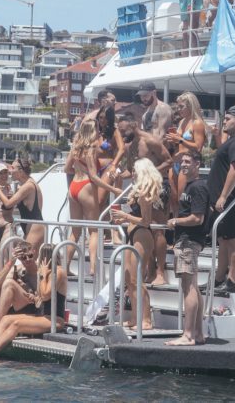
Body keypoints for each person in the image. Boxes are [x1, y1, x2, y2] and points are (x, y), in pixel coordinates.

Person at [0, 244, 67, 360]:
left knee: (16, 325)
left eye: (41, 256)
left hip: (55, 320)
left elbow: (45, 295)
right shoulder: (45, 271)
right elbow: (41, 299)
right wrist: (33, 296)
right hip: (42, 315)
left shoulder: (58, 272)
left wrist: (42, 275)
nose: (40, 260)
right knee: (5, 319)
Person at [118, 113, 172, 285]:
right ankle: (150, 269)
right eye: (120, 132)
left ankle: (161, 272)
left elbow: (169, 161)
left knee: (157, 229)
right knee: (145, 228)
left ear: (134, 125)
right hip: (140, 187)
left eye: (124, 131)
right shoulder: (129, 147)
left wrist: (150, 172)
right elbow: (129, 171)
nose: (122, 135)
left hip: (157, 185)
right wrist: (116, 175)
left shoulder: (150, 141)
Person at [64, 116, 122, 275]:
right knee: (94, 230)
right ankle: (93, 268)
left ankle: (66, 266)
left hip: (74, 187)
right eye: (97, 129)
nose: (99, 131)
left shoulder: (75, 148)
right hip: (86, 187)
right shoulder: (91, 149)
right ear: (92, 131)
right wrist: (113, 189)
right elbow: (94, 177)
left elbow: (66, 169)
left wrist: (78, 172)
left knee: (74, 232)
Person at [111, 158, 162, 331]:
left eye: (135, 170)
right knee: (129, 279)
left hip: (142, 235)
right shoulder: (137, 191)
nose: (132, 173)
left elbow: (146, 221)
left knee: (137, 279)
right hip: (132, 234)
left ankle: (146, 319)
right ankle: (134, 317)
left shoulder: (144, 194)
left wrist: (124, 217)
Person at [207, 106, 235, 293]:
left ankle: (232, 280)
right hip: (223, 200)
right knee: (224, 240)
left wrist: (224, 196)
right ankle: (219, 278)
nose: (224, 121)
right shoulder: (233, 140)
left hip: (232, 200)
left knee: (233, 239)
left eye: (227, 119)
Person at [166, 151, 210, 346]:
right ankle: (198, 334)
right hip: (185, 240)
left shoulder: (198, 187)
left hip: (189, 241)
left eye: (187, 161)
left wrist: (176, 220)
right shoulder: (190, 186)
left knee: (188, 287)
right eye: (181, 161)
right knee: (192, 286)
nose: (183, 164)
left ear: (197, 164)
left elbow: (197, 218)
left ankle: (188, 334)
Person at [165, 91, 207, 215]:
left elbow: (198, 147)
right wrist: (174, 141)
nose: (179, 109)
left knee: (182, 198)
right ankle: (175, 227)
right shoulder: (182, 121)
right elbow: (180, 144)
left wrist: (181, 140)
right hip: (176, 162)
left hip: (188, 163)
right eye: (178, 106)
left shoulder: (197, 123)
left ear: (190, 106)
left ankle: (183, 225)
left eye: (181, 106)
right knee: (173, 200)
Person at [0, 156, 44, 252]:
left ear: (20, 171)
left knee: (27, 260)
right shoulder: (24, 186)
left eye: (12, 168)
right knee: (25, 261)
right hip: (30, 228)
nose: (10, 171)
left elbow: (8, 204)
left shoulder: (28, 186)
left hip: (35, 228)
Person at [95, 101, 125, 202]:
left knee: (100, 200)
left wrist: (114, 164)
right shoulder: (95, 132)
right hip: (94, 168)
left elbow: (122, 149)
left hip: (109, 168)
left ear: (110, 118)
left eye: (106, 118)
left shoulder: (114, 131)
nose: (103, 120)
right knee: (95, 202)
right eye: (101, 117)